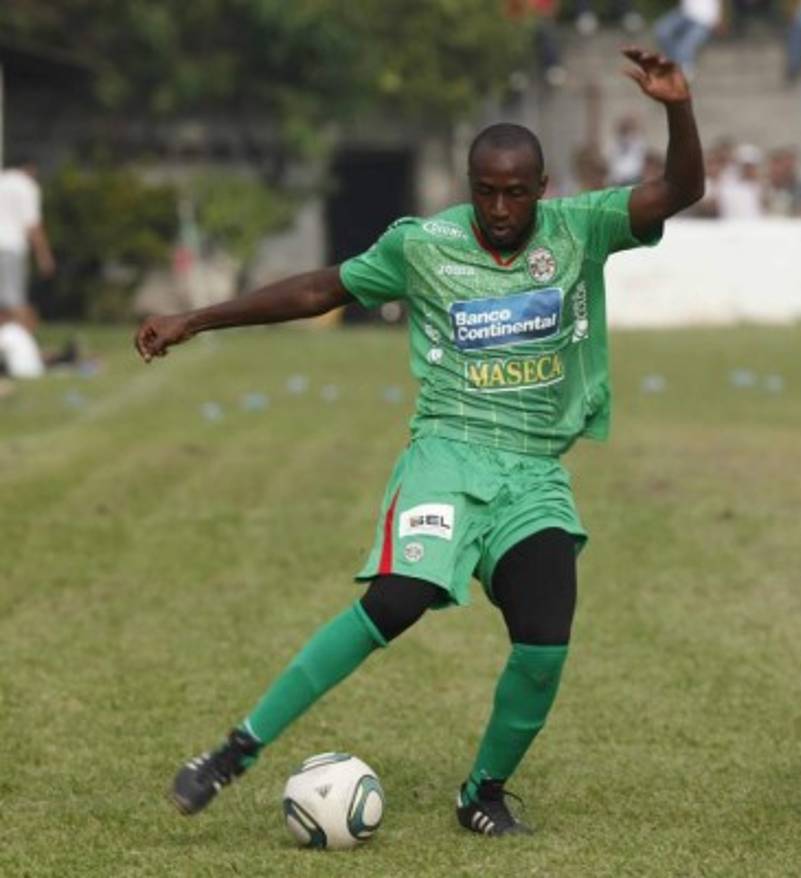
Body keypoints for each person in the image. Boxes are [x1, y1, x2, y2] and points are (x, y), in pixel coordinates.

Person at [137, 48, 704, 837]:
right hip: (448, 452)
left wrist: (677, 106)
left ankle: (483, 791)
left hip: (534, 470)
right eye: (485, 191)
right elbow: (318, 288)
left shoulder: (584, 228)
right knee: (394, 602)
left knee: (544, 644)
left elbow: (681, 189)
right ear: (467, 187)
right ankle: (236, 750)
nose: (500, 208)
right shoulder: (424, 245)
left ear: (542, 188)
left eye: (515, 193)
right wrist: (195, 319)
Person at [0, 158, 56, 330]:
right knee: (15, 301)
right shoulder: (26, 185)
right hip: (11, 247)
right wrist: (44, 257)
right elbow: (33, 226)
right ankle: (25, 348)